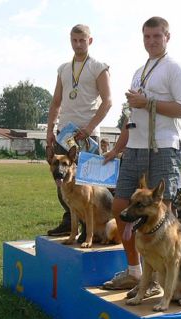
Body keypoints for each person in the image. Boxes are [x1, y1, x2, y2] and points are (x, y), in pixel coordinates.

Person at [102, 16, 181, 292]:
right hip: (135, 147)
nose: (151, 41)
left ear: (167, 37)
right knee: (120, 206)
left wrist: (149, 102)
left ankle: (166, 279)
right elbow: (133, 117)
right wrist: (117, 148)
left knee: (162, 216)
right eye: (147, 37)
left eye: (157, 36)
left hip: (164, 146)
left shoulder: (174, 69)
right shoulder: (138, 72)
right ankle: (134, 271)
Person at [46, 24, 112, 236]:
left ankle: (89, 229)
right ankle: (70, 221)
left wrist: (90, 127)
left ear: (90, 41)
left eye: (82, 40)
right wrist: (50, 130)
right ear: (70, 40)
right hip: (65, 135)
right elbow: (56, 102)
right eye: (74, 40)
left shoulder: (98, 67)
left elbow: (108, 101)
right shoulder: (63, 69)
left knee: (88, 187)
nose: (78, 44)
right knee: (61, 181)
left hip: (87, 136)